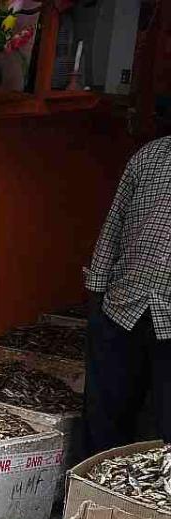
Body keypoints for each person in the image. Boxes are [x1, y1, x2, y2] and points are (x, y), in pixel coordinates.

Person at [83, 137, 171, 455]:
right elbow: (113, 226)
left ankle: (147, 506)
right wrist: (96, 297)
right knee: (103, 418)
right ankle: (91, 497)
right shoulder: (150, 156)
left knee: (164, 432)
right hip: (123, 306)